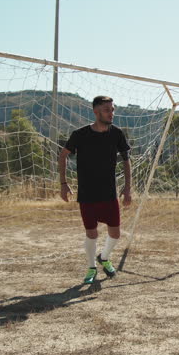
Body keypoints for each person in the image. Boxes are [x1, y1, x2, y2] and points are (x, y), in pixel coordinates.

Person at [59, 95, 132, 284]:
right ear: (96, 112)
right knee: (91, 233)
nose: (111, 113)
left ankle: (104, 257)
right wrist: (63, 183)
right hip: (87, 194)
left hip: (109, 193)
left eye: (113, 109)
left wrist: (127, 187)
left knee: (115, 233)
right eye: (107, 110)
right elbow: (63, 155)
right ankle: (91, 267)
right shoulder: (80, 134)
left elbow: (126, 159)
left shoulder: (117, 134)